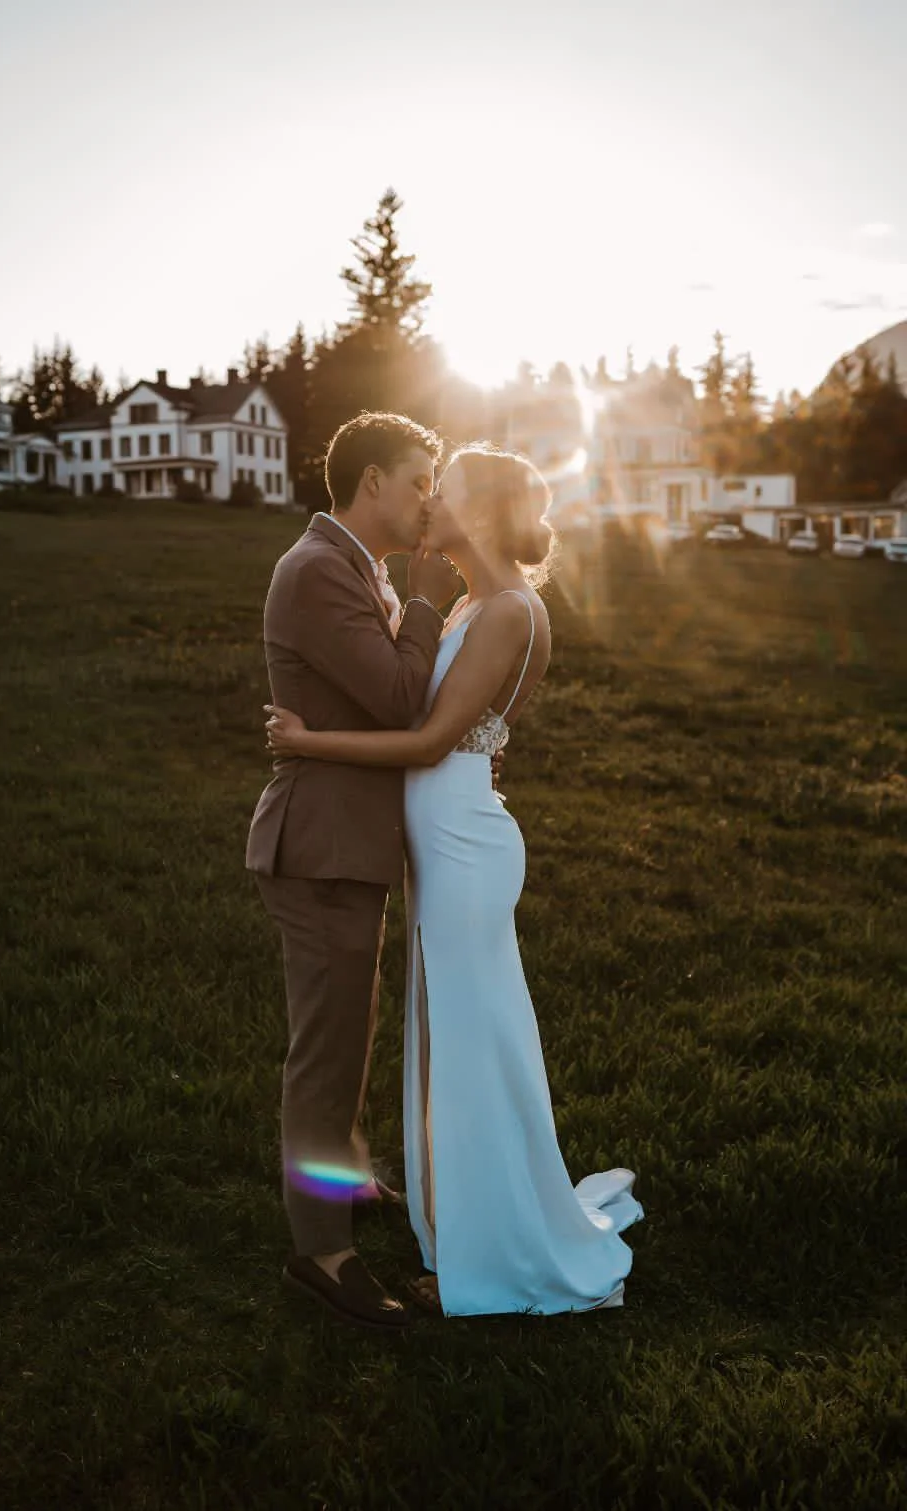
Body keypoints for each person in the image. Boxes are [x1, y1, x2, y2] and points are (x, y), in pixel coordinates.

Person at [265, 444, 644, 1318]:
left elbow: (431, 741)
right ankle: (460, 1223)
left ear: (486, 507)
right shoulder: (474, 602)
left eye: (450, 487)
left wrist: (306, 741)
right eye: (427, 485)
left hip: (467, 849)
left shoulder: (509, 608)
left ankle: (487, 1253)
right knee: (452, 1044)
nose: (432, 500)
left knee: (467, 1051)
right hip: (443, 845)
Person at [246, 411, 461, 1331]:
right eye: (419, 480)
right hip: (321, 845)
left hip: (348, 843)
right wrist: (425, 600)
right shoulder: (315, 572)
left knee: (349, 1031)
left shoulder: (348, 564)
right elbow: (401, 695)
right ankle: (320, 1252)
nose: (428, 499)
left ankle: (339, 1174)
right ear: (370, 481)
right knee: (325, 1050)